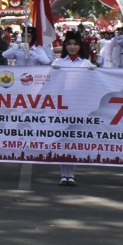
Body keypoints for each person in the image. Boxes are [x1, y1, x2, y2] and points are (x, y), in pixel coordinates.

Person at [51, 32, 95, 186]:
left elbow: (93, 86)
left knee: (74, 140)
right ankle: (63, 174)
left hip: (79, 106)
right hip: (61, 106)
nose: (72, 47)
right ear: (65, 46)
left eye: (75, 44)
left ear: (80, 46)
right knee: (63, 140)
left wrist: (94, 73)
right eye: (69, 44)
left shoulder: (87, 64)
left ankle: (72, 174)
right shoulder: (58, 62)